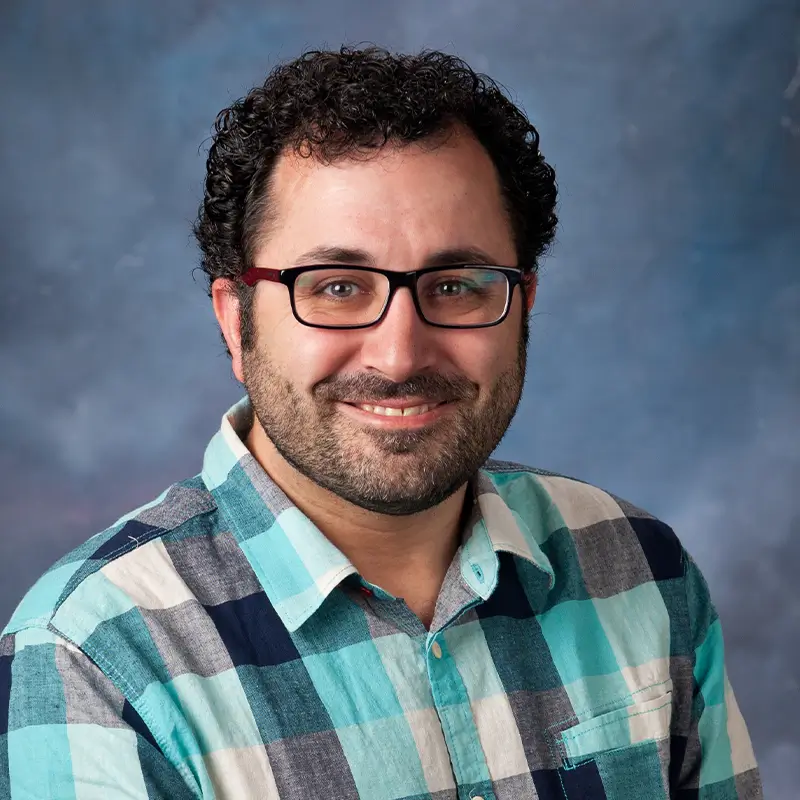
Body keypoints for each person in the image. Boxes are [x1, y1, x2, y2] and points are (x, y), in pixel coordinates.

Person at [0, 46, 761, 800]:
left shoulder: (638, 567)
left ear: (523, 306)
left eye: (457, 285)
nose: (399, 354)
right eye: (335, 286)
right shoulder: (95, 654)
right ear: (236, 322)